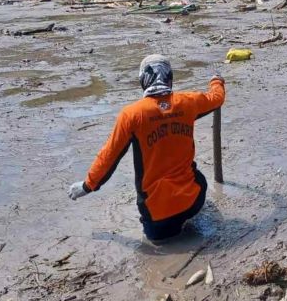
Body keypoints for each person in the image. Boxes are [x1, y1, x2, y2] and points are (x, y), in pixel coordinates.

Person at [68, 55, 226, 241]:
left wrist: (88, 185)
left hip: (157, 217)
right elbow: (216, 98)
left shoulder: (132, 115)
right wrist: (216, 80)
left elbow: (109, 156)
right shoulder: (188, 102)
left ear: (143, 80)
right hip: (193, 200)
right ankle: (184, 220)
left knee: (159, 243)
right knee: (197, 177)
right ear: (169, 77)